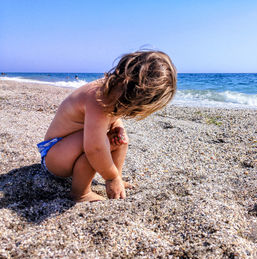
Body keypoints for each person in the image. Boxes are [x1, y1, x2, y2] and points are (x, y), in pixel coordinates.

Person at [37, 51, 177, 202]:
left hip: (67, 151)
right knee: (97, 146)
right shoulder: (98, 98)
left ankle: (118, 176)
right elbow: (94, 148)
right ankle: (81, 193)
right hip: (54, 156)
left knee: (120, 138)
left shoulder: (115, 92)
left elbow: (111, 119)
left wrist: (117, 126)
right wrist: (111, 177)